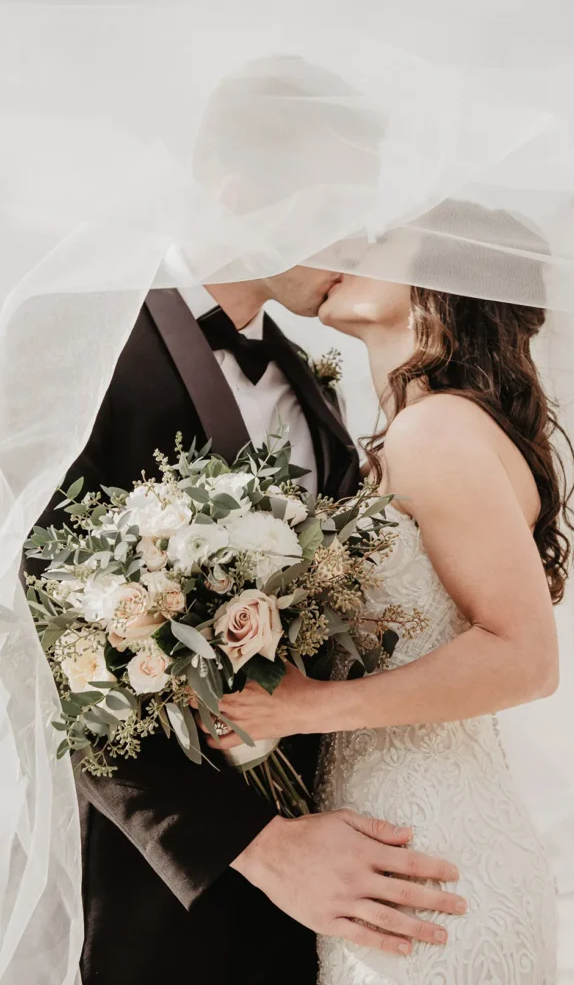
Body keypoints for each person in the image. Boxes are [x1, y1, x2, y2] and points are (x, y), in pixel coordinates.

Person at [30, 269, 467, 985]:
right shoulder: (80, 346)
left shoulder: (315, 389)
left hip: (337, 899)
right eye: (336, 207)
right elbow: (42, 645)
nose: (351, 247)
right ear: (253, 187)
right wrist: (262, 847)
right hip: (166, 900)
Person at [209, 275, 574, 982]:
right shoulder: (416, 430)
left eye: (378, 236)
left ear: (442, 275)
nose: (345, 248)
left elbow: (527, 656)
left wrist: (300, 706)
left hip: (430, 855)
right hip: (395, 845)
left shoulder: (437, 428)